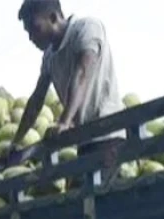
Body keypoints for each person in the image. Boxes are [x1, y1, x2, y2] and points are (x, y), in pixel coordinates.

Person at [12, 0, 124, 159]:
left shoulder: (86, 28)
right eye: (28, 32)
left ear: (53, 17)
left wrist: (64, 122)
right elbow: (37, 99)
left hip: (108, 134)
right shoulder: (49, 57)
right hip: (84, 140)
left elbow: (82, 74)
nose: (32, 38)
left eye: (36, 29)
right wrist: (16, 141)